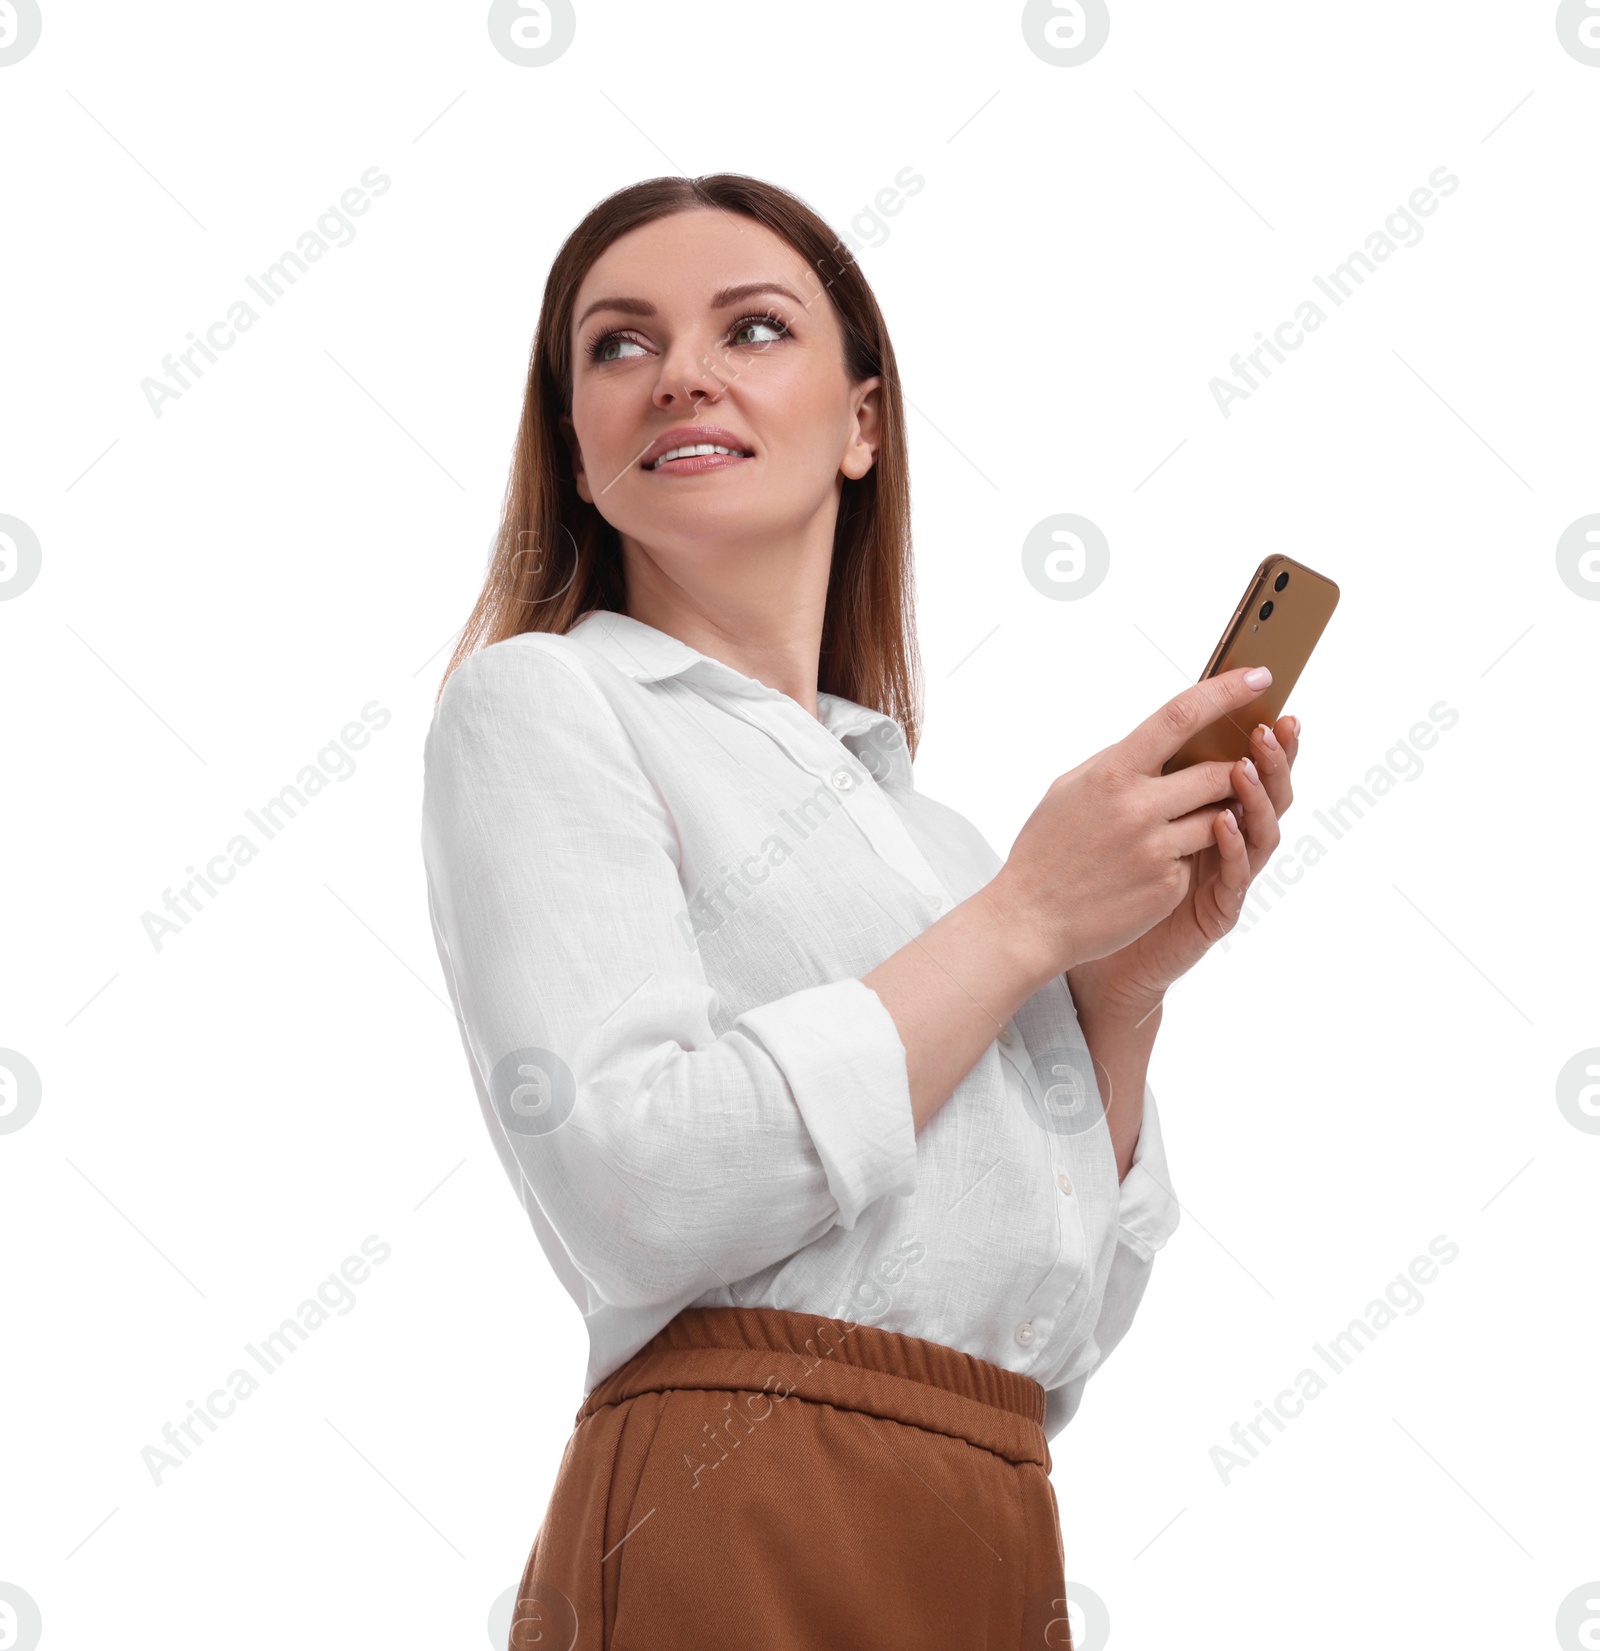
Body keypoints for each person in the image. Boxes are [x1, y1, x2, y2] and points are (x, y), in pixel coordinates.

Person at [420, 173, 1299, 1650]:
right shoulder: (542, 702)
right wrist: (1025, 922)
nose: (680, 371)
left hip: (993, 1517)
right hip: (736, 1496)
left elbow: (1059, 1333)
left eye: (751, 329)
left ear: (865, 424)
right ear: (577, 449)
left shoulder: (933, 838)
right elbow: (636, 1194)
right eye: (618, 346)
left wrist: (1118, 999)